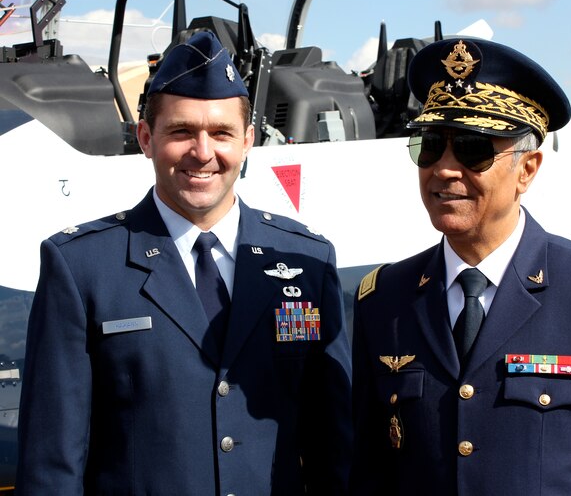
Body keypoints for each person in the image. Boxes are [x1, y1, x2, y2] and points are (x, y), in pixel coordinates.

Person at [16, 30, 352, 495]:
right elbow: (52, 465)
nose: (203, 152)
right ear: (146, 138)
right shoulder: (81, 267)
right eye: (181, 132)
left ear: (249, 140)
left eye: (221, 133)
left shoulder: (309, 262)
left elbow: (333, 447)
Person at [349, 37, 571, 495]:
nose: (445, 169)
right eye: (429, 146)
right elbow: (368, 473)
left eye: (473, 150)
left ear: (527, 169)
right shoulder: (384, 300)